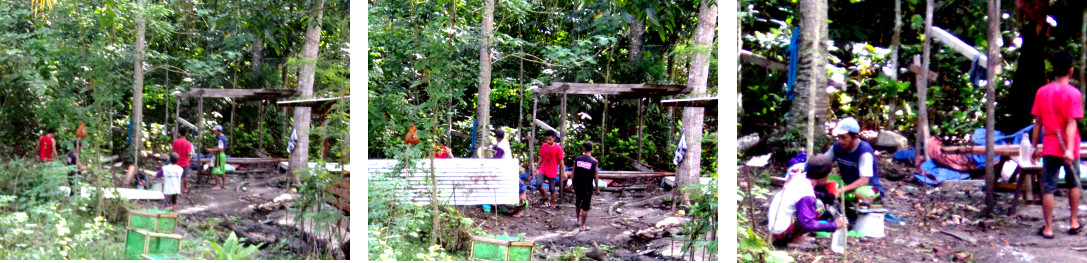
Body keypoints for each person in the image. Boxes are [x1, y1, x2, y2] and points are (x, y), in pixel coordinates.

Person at [1030, 51, 1082, 239]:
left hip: (1050, 145)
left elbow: (1038, 122)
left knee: (1049, 187)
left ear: (1054, 70)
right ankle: (1074, 221)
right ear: (1070, 70)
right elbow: (1071, 123)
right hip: (1070, 146)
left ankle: (1048, 227)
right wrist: (1068, 149)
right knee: (1073, 183)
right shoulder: (1074, 94)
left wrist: (1034, 147)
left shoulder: (1042, 92)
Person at [768, 154, 848, 249]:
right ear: (824, 176)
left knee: (816, 205)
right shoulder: (806, 193)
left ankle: (797, 236)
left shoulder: (799, 177)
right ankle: (793, 240)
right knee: (818, 207)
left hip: (775, 227)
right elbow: (808, 223)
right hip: (781, 233)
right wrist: (834, 225)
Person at [825, 117, 884, 209]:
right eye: (839, 137)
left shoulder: (864, 151)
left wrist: (840, 190)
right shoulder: (837, 147)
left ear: (855, 137)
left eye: (844, 137)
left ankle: (871, 208)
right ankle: (841, 205)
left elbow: (864, 180)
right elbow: (823, 162)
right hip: (848, 187)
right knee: (821, 178)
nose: (840, 141)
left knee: (860, 193)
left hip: (867, 189)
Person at [571, 141, 599, 231]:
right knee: (585, 207)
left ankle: (578, 220)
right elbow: (595, 175)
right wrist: (597, 188)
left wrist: (572, 183)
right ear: (592, 149)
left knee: (578, 202)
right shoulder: (594, 161)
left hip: (578, 185)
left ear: (584, 148)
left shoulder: (578, 159)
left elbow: (573, 172)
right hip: (587, 187)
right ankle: (582, 226)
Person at [535, 129, 565, 209]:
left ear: (554, 138)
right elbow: (541, 157)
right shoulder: (544, 146)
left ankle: (552, 203)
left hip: (552, 170)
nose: (548, 141)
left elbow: (561, 160)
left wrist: (564, 172)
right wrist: (536, 167)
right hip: (543, 169)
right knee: (538, 184)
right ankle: (544, 197)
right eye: (547, 139)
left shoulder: (558, 148)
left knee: (552, 188)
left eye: (550, 139)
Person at [173, 128, 196, 193]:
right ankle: (185, 189)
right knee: (184, 176)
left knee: (176, 176)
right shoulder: (188, 143)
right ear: (186, 134)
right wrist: (192, 154)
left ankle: (176, 188)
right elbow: (188, 153)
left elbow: (173, 151)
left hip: (176, 161)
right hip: (185, 162)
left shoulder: (176, 141)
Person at [206, 125, 228, 190]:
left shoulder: (220, 139)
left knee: (215, 171)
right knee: (222, 170)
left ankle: (217, 185)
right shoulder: (222, 137)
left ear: (219, 131)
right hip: (222, 155)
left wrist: (210, 150)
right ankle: (224, 185)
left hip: (219, 156)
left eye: (215, 131)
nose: (214, 132)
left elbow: (220, 149)